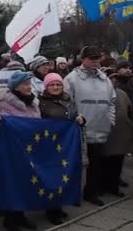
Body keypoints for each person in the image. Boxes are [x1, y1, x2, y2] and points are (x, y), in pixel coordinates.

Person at [64, 46, 116, 207]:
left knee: (96, 164)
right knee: (75, 165)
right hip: (79, 130)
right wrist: (73, 121)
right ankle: (71, 194)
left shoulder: (104, 79)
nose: (95, 61)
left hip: (101, 128)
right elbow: (66, 102)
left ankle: (91, 192)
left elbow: (112, 101)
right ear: (82, 59)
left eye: (97, 58)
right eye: (91, 58)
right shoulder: (71, 78)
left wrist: (110, 119)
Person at [38, 73, 85, 225]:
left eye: (58, 84)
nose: (56, 87)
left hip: (65, 145)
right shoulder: (40, 102)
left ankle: (59, 206)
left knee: (63, 175)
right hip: (49, 146)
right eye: (52, 85)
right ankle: (50, 210)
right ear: (46, 87)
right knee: (51, 177)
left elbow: (75, 115)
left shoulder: (68, 99)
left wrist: (80, 119)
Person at [0, 71, 40, 231]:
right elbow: (6, 128)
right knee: (13, 185)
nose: (29, 87)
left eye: (29, 84)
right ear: (16, 87)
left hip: (30, 150)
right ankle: (11, 219)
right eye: (25, 84)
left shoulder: (33, 103)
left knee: (25, 184)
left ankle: (21, 215)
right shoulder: (5, 104)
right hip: (14, 153)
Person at [101, 73, 133, 198]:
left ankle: (114, 186)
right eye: (111, 78)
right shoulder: (100, 94)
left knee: (117, 163)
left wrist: (132, 125)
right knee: (104, 163)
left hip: (121, 134)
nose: (113, 81)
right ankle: (102, 186)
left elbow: (131, 110)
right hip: (106, 134)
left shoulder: (122, 93)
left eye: (115, 78)